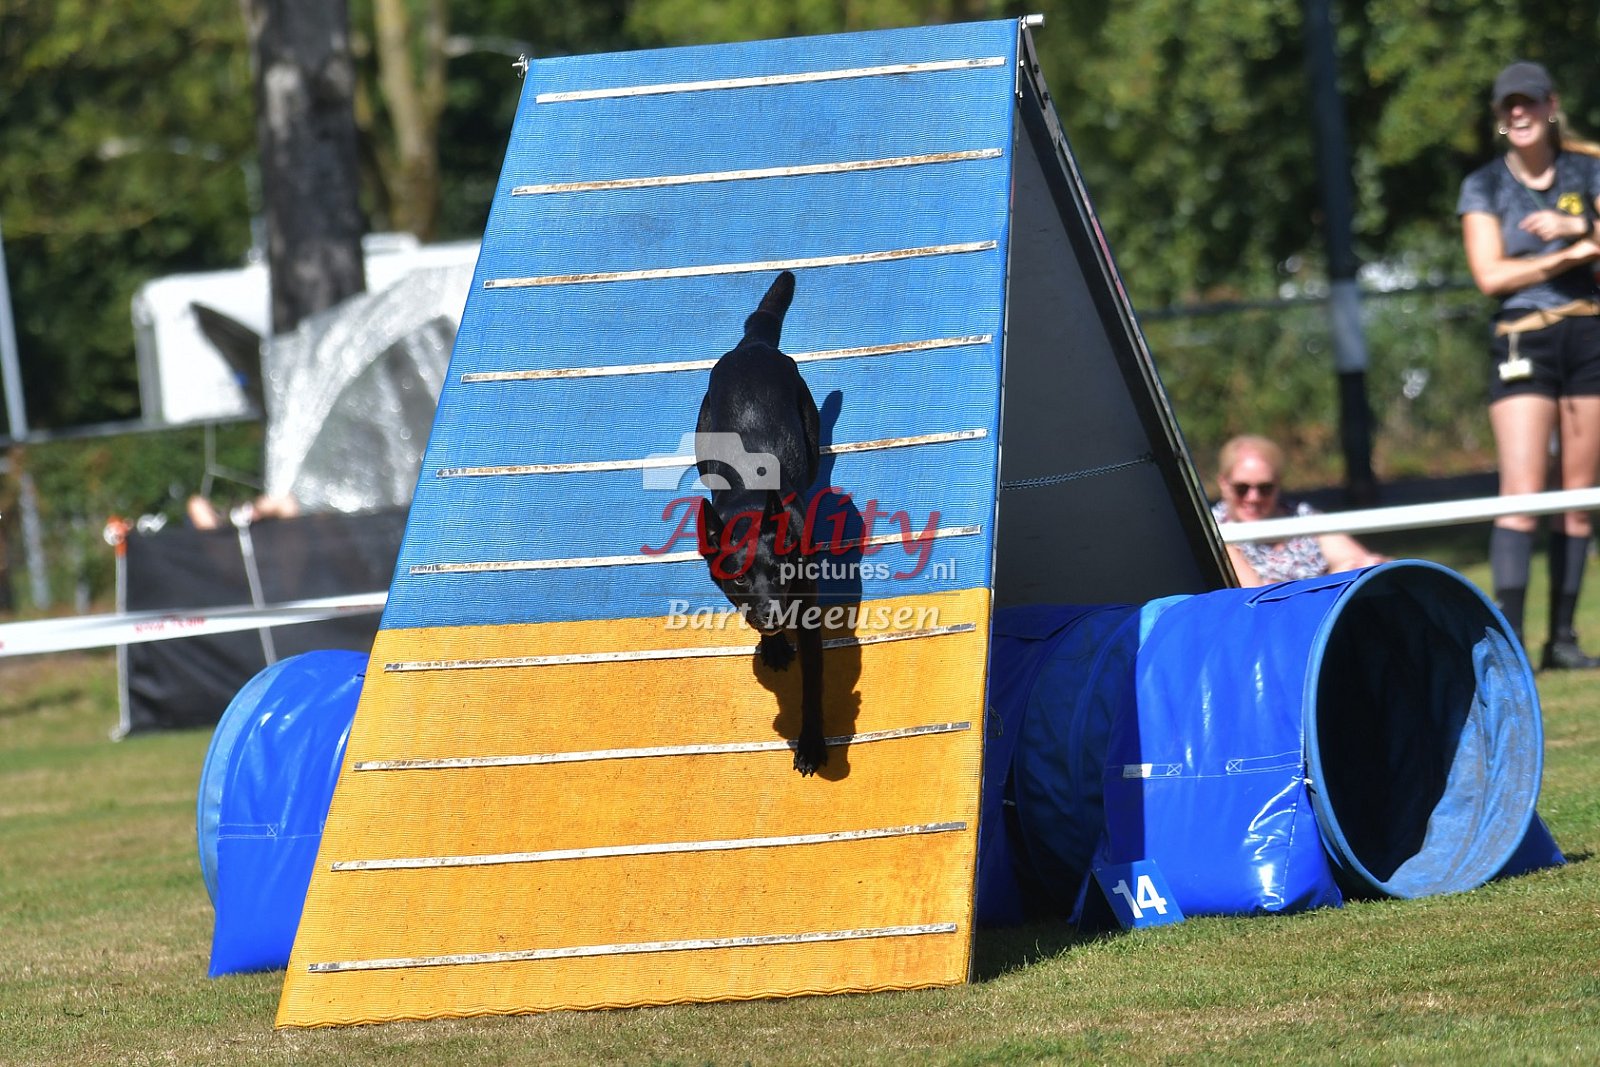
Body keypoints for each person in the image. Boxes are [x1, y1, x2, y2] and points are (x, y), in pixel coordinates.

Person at [1459, 60, 1600, 668]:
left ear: (1551, 105)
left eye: (1529, 101)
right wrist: (1575, 251)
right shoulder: (1485, 185)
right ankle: (1510, 646)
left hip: (1589, 333)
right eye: (1508, 105)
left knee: (1579, 496)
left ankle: (1562, 640)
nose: (1519, 113)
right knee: (1520, 492)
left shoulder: (1587, 169)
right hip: (1523, 340)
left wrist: (1575, 224)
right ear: (1499, 116)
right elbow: (1491, 276)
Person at [1212, 434, 1388, 587]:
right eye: (1242, 488)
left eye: (1265, 488)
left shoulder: (1299, 515)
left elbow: (1363, 563)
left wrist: (1353, 567)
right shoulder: (1216, 531)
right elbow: (1255, 598)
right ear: (1223, 484)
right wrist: (1336, 578)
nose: (1254, 497)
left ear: (1278, 484)